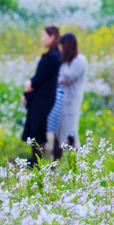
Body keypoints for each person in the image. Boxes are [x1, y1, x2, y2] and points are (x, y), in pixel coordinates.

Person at [21, 25, 61, 166]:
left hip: (43, 99)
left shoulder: (53, 57)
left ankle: (37, 162)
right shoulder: (52, 55)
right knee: (36, 129)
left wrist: (28, 87)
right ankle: (36, 161)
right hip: (41, 98)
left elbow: (38, 79)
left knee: (37, 130)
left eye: (45, 36)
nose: (42, 39)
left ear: (53, 37)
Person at [53, 33, 87, 161]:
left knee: (70, 131)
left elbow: (68, 78)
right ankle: (62, 163)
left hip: (72, 101)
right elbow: (62, 79)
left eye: (61, 46)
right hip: (61, 102)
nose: (59, 49)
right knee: (61, 131)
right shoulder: (66, 61)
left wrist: (58, 79)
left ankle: (75, 163)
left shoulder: (79, 61)